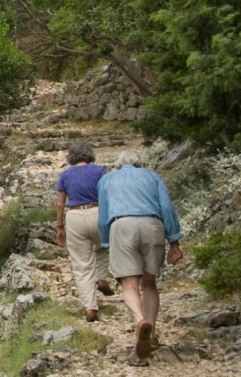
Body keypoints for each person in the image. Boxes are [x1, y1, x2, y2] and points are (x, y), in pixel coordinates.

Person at [97, 149, 184, 360]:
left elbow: (102, 215)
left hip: (122, 225)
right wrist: (174, 241)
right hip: (152, 224)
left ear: (117, 165)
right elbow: (166, 207)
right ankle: (151, 332)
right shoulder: (153, 176)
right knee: (149, 283)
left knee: (129, 283)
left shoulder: (107, 180)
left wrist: (107, 242)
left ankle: (139, 321)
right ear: (140, 164)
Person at [55, 141, 112, 321]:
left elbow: (60, 203)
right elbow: (108, 195)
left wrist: (60, 227)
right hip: (98, 212)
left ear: (71, 156)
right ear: (89, 154)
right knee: (104, 246)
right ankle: (102, 278)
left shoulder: (65, 175)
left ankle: (90, 307)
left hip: (75, 216)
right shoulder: (100, 171)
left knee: (81, 264)